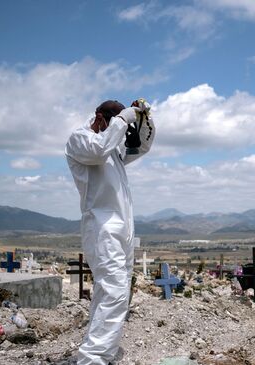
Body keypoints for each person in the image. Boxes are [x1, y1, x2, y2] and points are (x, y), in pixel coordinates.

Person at [65, 100, 155, 364]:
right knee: (114, 291)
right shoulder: (80, 140)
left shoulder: (111, 148)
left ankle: (103, 351)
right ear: (100, 118)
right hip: (102, 227)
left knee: (112, 292)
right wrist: (122, 120)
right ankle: (93, 359)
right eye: (115, 122)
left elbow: (140, 148)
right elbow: (99, 149)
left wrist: (143, 120)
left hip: (122, 228)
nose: (119, 130)